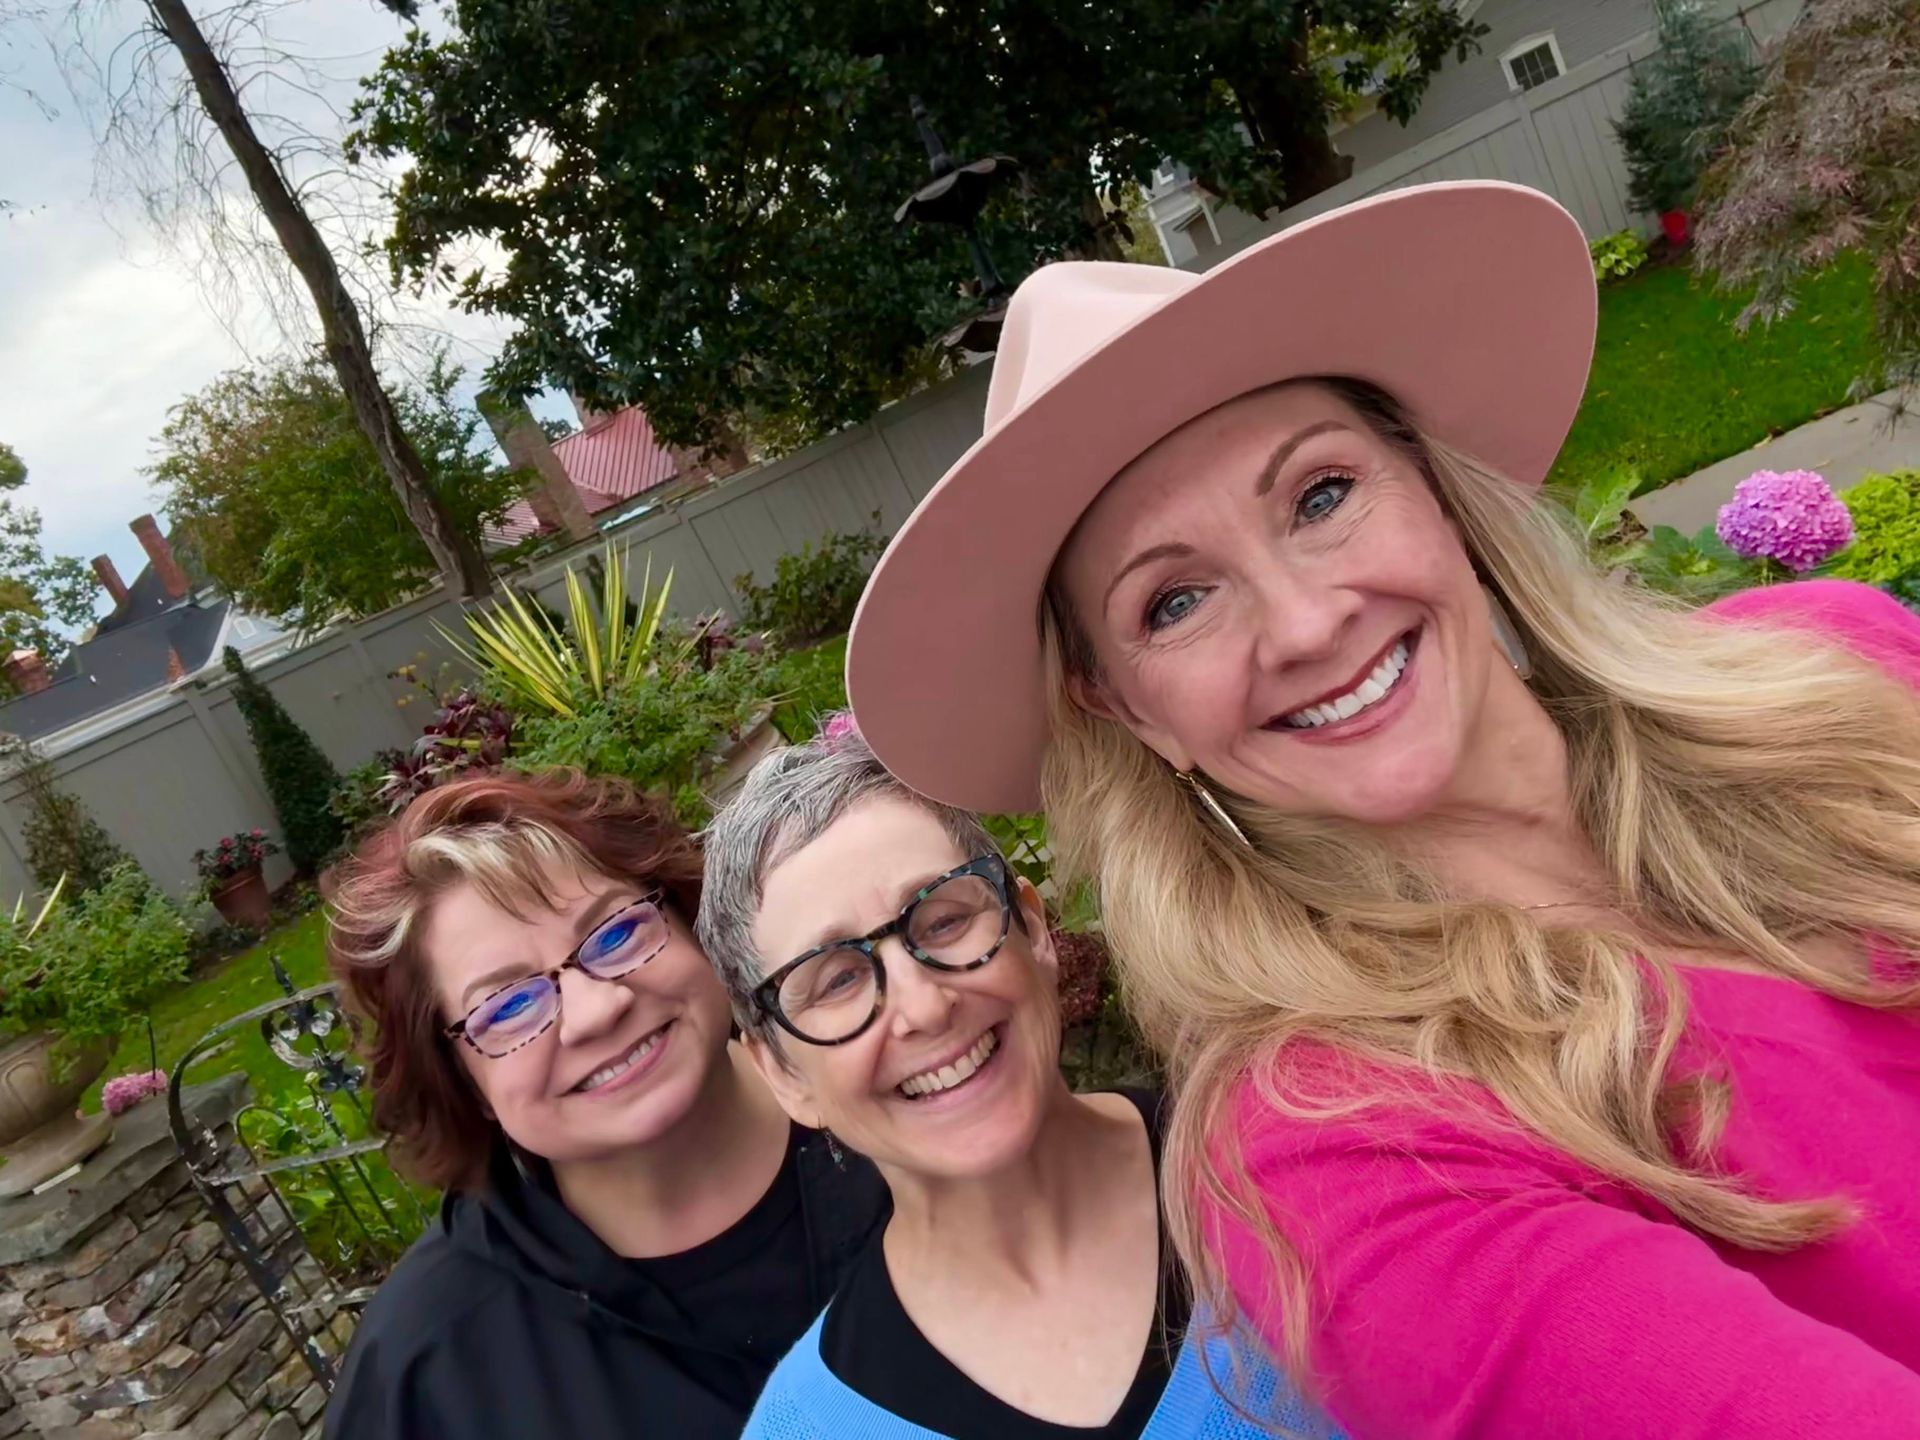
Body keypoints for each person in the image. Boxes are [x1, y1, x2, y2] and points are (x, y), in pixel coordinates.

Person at [843, 179, 1920, 1438]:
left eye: (1319, 497)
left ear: (1432, 484)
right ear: (1125, 707)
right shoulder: (1340, 1150)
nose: (1306, 623)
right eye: (1173, 604)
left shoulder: (1835, 666)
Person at [696, 725, 1331, 1439]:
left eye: (942, 920)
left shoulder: (1307, 1157)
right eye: (837, 979)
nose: (926, 1005)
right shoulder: (807, 1428)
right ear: (782, 1074)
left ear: (1033, 930)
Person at [320, 768, 887, 1440]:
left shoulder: (914, 1109)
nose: (595, 1010)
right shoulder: (427, 1373)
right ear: (462, 1083)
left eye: (616, 935)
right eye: (508, 1006)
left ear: (689, 920)